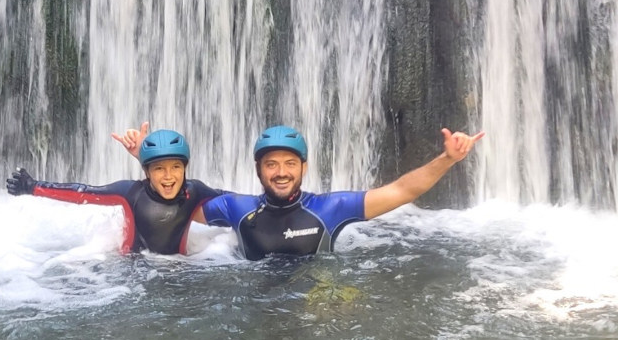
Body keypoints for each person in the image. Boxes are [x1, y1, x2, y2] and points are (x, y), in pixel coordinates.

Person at [120, 124, 484, 260]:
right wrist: (146, 160)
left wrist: (447, 160)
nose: (281, 173)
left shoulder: (332, 208)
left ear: (304, 168)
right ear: (259, 171)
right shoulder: (235, 208)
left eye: (290, 164)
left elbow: (403, 190)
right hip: (253, 308)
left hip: (315, 303)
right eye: (271, 165)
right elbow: (173, 195)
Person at [6, 126, 227, 255]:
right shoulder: (132, 193)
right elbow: (83, 193)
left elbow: (230, 202)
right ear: (147, 172)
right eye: (159, 168)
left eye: (175, 167)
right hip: (133, 273)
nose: (169, 176)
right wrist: (34, 187)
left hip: (180, 270)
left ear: (185, 168)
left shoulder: (194, 191)